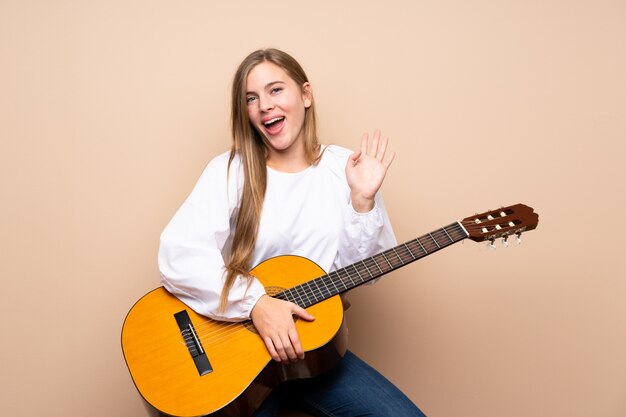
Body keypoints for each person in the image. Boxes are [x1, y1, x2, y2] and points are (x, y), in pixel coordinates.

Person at [158, 48, 427, 417]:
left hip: (316, 355)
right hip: (241, 362)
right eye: (251, 98)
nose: (264, 105)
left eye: (275, 90)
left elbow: (367, 272)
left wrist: (362, 199)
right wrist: (256, 304)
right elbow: (178, 253)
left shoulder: (344, 168)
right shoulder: (232, 170)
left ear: (305, 94)